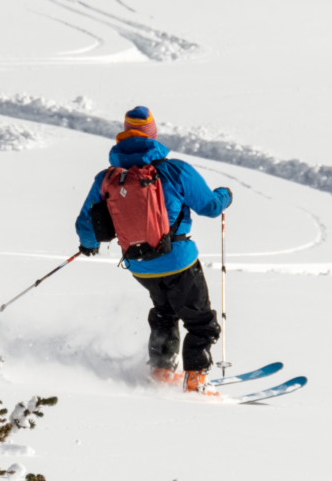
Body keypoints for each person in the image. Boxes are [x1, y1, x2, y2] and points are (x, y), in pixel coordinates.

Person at [75, 106, 232, 394]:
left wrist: (88, 246)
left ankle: (161, 369)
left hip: (140, 265)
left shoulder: (107, 177)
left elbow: (86, 222)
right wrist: (225, 195)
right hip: (179, 260)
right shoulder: (174, 170)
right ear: (153, 135)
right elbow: (210, 206)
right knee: (200, 321)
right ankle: (195, 380)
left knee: (165, 313)